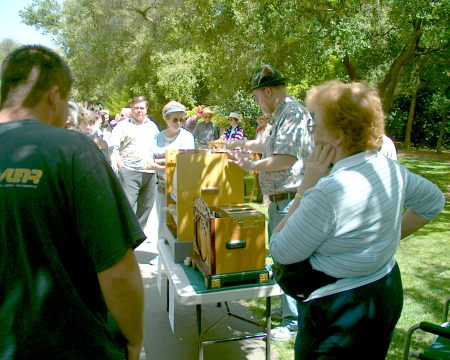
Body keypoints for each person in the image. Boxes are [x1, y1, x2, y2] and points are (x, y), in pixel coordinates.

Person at [270, 80, 445, 359]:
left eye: (314, 124)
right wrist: (384, 240)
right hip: (383, 294)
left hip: (340, 311)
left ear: (337, 135)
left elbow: (280, 250)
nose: (312, 132)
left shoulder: (329, 191)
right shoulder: (389, 168)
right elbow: (433, 202)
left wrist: (307, 185)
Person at [0, 45, 145, 359]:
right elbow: (118, 270)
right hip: (74, 346)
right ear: (54, 97)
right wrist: (134, 340)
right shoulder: (73, 150)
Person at [227, 64, 313, 341]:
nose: (256, 101)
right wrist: (236, 146)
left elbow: (285, 158)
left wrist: (250, 168)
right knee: (282, 258)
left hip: (290, 199)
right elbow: (266, 145)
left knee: (290, 259)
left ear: (267, 91)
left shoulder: (292, 113)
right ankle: (290, 311)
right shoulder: (280, 115)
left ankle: (294, 322)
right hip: (281, 201)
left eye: (256, 96)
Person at [153, 101, 195, 261]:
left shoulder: (187, 136)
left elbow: (187, 161)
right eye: (174, 119)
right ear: (166, 119)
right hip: (162, 185)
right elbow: (149, 162)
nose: (179, 123)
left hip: (181, 186)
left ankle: (181, 254)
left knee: (180, 220)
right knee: (162, 220)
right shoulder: (156, 137)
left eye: (181, 119)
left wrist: (162, 161)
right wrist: (169, 160)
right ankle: (161, 253)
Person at [111, 95, 160, 230]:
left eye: (142, 108)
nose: (139, 110)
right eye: (136, 108)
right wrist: (120, 167)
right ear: (131, 108)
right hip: (130, 171)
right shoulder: (122, 126)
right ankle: (125, 236)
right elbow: (114, 147)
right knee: (128, 207)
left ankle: (136, 235)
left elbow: (158, 147)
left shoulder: (152, 126)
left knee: (146, 207)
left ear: (146, 109)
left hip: (149, 172)